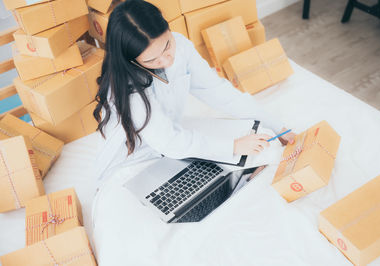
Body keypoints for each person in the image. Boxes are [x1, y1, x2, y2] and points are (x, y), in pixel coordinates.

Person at [92, 0, 296, 181]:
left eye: (166, 45)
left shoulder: (180, 45)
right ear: (131, 60)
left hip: (173, 133)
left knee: (261, 138)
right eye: (151, 60)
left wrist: (278, 127)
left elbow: (220, 93)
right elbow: (169, 142)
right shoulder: (125, 88)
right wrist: (233, 147)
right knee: (224, 167)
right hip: (134, 157)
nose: (167, 59)